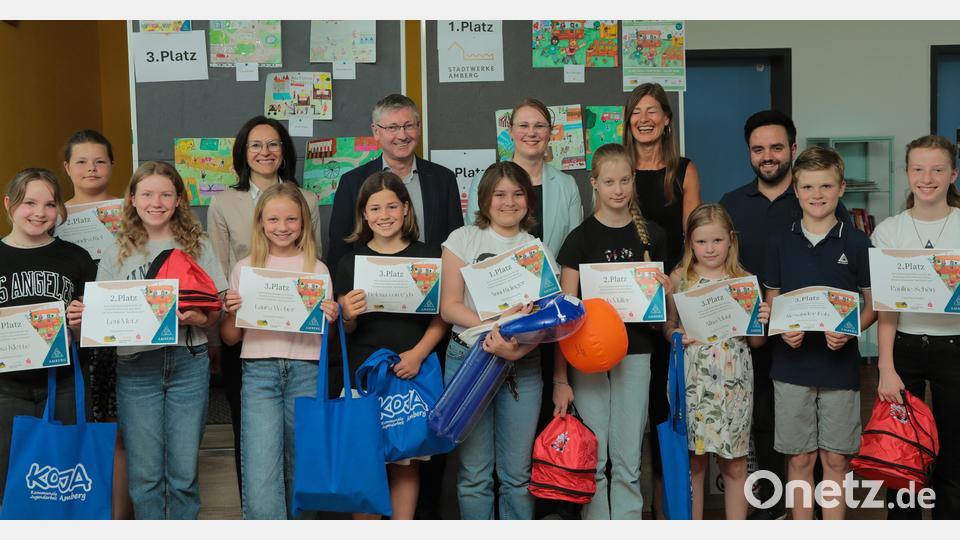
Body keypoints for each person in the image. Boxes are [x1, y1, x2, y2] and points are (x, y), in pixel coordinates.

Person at [719, 110, 852, 518]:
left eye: (776, 147)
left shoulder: (817, 200)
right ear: (749, 153)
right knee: (762, 424)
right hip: (753, 332)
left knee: (814, 439)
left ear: (793, 149)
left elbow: (844, 281)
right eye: (758, 149)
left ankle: (810, 513)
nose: (768, 156)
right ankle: (772, 510)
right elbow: (717, 261)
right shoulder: (731, 203)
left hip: (813, 343)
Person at [85, 161, 227, 519]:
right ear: (132, 199)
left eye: (165, 194)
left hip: (187, 360)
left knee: (183, 475)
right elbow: (102, 315)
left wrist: (201, 319)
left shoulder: (199, 245)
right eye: (147, 194)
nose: (156, 202)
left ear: (179, 199)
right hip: (135, 366)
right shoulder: (117, 249)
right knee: (145, 476)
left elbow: (215, 311)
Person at [207, 115, 323, 497]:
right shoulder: (224, 202)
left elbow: (313, 263)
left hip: (298, 343)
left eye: (273, 144)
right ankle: (257, 508)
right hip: (246, 334)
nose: (265, 151)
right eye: (255, 145)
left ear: (284, 151)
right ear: (243, 152)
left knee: (296, 441)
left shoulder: (307, 199)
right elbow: (219, 270)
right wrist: (223, 323)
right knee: (253, 435)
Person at [552, 143, 669, 519]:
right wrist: (560, 377)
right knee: (595, 457)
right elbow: (564, 316)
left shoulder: (653, 236)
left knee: (628, 459)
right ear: (594, 184)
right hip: (588, 360)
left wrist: (666, 293)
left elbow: (662, 314)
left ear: (634, 181)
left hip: (636, 353)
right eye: (609, 182)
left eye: (624, 180)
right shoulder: (579, 239)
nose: (618, 189)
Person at [762, 147, 876, 520]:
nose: (817, 194)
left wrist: (850, 331)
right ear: (796, 191)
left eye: (826, 186)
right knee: (799, 459)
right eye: (808, 187)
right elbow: (772, 305)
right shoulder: (779, 241)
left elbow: (872, 306)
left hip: (839, 367)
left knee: (836, 459)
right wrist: (782, 330)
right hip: (790, 367)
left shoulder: (857, 243)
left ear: (841, 189)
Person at [219, 182, 338, 520]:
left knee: (303, 463)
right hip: (259, 372)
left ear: (304, 222)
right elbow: (230, 338)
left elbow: (327, 339)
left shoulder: (317, 269)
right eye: (273, 219)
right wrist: (231, 311)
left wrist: (332, 319)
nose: (282, 227)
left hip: (306, 370)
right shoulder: (245, 269)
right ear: (260, 222)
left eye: (291, 219)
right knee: (261, 466)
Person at [440, 161, 550, 520]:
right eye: (500, 194)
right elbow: (449, 308)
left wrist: (518, 349)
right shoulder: (463, 239)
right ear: (484, 198)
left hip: (522, 364)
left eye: (518, 194)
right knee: (474, 474)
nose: (509, 202)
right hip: (469, 359)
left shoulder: (537, 250)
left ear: (528, 200)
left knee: (517, 476)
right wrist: (497, 328)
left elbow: (546, 322)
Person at [335, 172, 448, 520]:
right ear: (364, 215)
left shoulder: (429, 256)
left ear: (406, 209)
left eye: (392, 206)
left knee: (406, 461)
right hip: (363, 376)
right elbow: (346, 328)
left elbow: (443, 315)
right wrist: (346, 314)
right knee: (363, 463)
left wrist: (419, 354)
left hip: (410, 372)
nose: (384, 215)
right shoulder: (349, 263)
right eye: (375, 208)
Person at [623, 82, 701, 519]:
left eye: (653, 111)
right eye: (637, 111)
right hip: (627, 305)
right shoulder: (619, 169)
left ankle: (666, 513)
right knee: (634, 414)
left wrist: (674, 290)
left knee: (667, 411)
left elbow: (693, 238)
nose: (645, 119)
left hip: (671, 300)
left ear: (667, 119)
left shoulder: (683, 170)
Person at [663, 204, 771, 519]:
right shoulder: (680, 278)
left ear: (731, 240)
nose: (710, 249)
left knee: (734, 463)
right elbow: (669, 327)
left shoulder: (744, 280)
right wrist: (674, 335)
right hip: (694, 382)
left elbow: (757, 342)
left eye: (717, 241)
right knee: (694, 462)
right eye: (701, 242)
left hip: (734, 384)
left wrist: (762, 321)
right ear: (690, 243)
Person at [874, 135, 960, 519]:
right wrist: (885, 367)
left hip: (955, 347)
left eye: (938, 169)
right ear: (907, 173)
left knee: (954, 455)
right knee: (902, 456)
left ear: (953, 174)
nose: (927, 178)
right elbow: (886, 306)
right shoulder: (889, 231)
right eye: (918, 169)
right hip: (904, 349)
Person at [0, 168, 97, 509]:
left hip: (65, 384)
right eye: (29, 203)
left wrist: (80, 325)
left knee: (63, 481)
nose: (39, 213)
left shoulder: (76, 257)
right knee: (9, 480)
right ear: (9, 204)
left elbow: (93, 335)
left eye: (50, 204)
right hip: (6, 388)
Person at [59, 128, 133, 520]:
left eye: (100, 161)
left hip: (121, 332)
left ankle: (119, 520)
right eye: (82, 161)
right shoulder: (52, 215)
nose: (91, 168)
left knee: (117, 432)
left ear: (112, 165)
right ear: (67, 167)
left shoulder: (132, 211)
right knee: (75, 429)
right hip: (71, 338)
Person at [327, 94, 462, 274]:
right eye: (392, 127)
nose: (402, 135)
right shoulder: (352, 182)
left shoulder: (444, 179)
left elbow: (456, 246)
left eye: (409, 126)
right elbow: (339, 249)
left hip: (429, 286)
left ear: (419, 128)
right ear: (376, 131)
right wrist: (342, 290)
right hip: (369, 286)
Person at [466, 97, 582, 257]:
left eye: (539, 126)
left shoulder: (567, 185)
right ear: (510, 131)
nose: (531, 133)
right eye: (523, 126)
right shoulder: (483, 180)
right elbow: (474, 239)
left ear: (550, 132)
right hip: (495, 271)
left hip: (553, 273)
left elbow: (574, 247)